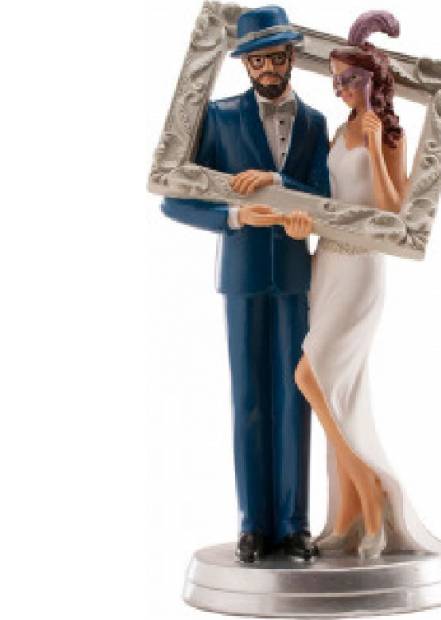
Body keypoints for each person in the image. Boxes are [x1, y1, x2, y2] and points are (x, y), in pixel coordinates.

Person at [269, 10, 441, 560]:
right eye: (337, 80)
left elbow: (396, 212)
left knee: (311, 377)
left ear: (375, 81)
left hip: (363, 269)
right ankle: (347, 515)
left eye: (352, 79)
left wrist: (374, 147)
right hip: (327, 264)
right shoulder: (335, 129)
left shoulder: (389, 134)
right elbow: (328, 201)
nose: (343, 89)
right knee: (338, 390)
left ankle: (374, 500)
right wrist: (297, 220)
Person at [161, 6, 330, 563]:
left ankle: (295, 524)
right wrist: (234, 216)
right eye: (256, 61)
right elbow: (176, 199)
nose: (267, 69)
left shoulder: (314, 124)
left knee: (296, 396)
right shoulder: (219, 117)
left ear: (292, 57)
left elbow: (326, 199)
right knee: (249, 399)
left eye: (275, 58)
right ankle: (254, 525)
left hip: (295, 275)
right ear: (244, 64)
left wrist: (286, 191)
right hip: (242, 274)